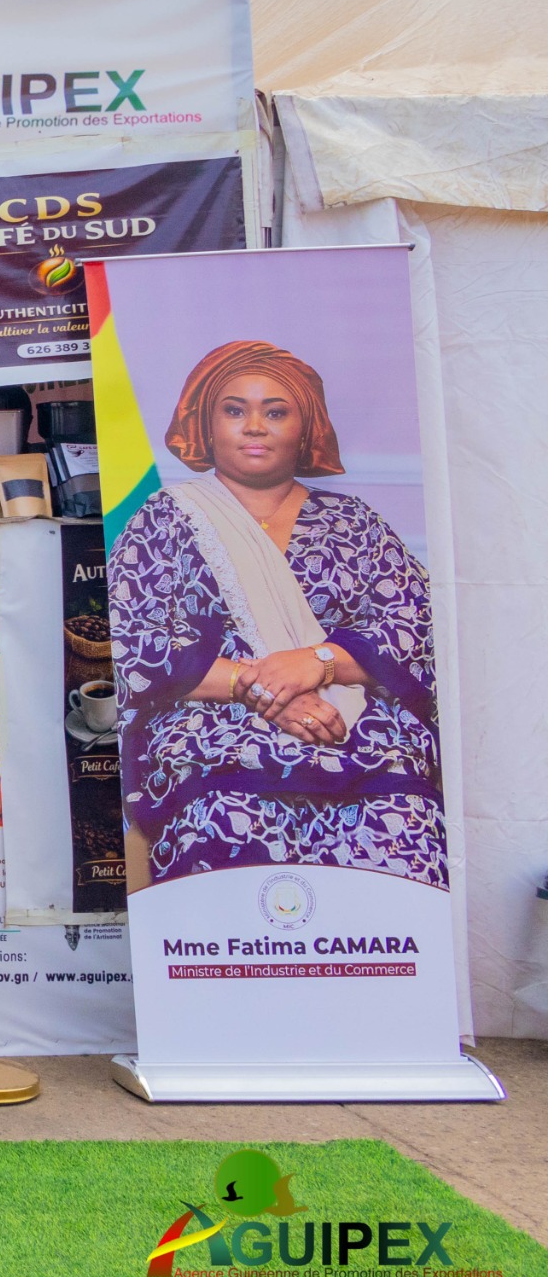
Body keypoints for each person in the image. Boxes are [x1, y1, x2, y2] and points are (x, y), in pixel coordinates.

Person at [109, 341, 443, 887]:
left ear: (306, 428)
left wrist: (318, 664)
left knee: (401, 827)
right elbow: (136, 643)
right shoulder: (164, 520)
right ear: (206, 425)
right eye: (235, 410)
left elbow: (414, 629)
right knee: (224, 826)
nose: (255, 426)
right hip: (214, 731)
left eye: (276, 411)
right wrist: (257, 687)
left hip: (360, 731)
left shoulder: (354, 523)